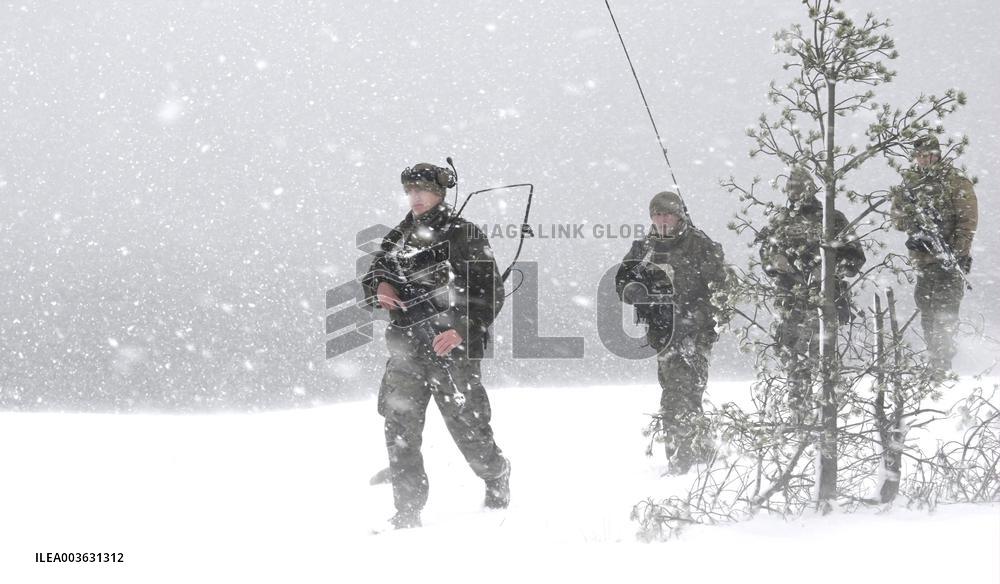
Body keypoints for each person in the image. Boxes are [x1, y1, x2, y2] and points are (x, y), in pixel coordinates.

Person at [361, 162, 509, 529]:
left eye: (422, 190)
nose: (415, 197)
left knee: (468, 430)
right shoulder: (398, 236)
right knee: (399, 430)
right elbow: (376, 273)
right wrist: (380, 288)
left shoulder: (463, 234)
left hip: (450, 351)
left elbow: (490, 291)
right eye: (410, 191)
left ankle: (496, 473)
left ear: (440, 193)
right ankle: (407, 511)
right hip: (405, 349)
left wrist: (461, 329)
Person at [615, 191, 726, 474]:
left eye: (667, 214)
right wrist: (635, 290)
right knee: (681, 392)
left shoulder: (701, 246)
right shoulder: (644, 249)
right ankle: (701, 453)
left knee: (681, 394)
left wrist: (699, 314)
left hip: (695, 332)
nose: (662, 220)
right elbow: (622, 282)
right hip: (663, 333)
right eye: (657, 215)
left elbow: (722, 289)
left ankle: (681, 461)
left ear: (679, 216)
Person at [755, 166, 865, 415]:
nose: (794, 192)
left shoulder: (831, 217)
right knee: (794, 366)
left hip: (824, 304)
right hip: (790, 304)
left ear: (811, 188)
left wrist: (829, 269)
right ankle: (800, 420)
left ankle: (829, 422)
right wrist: (776, 262)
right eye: (790, 186)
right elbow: (765, 257)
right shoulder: (779, 220)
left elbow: (855, 258)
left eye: (800, 186)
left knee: (826, 367)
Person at [890, 135, 978, 372]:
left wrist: (957, 252)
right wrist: (917, 230)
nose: (924, 160)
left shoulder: (955, 181)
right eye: (920, 156)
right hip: (924, 262)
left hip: (948, 260)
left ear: (937, 155)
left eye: (928, 155)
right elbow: (897, 218)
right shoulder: (910, 184)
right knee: (928, 314)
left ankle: (943, 364)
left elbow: (967, 222)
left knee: (945, 314)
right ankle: (934, 361)